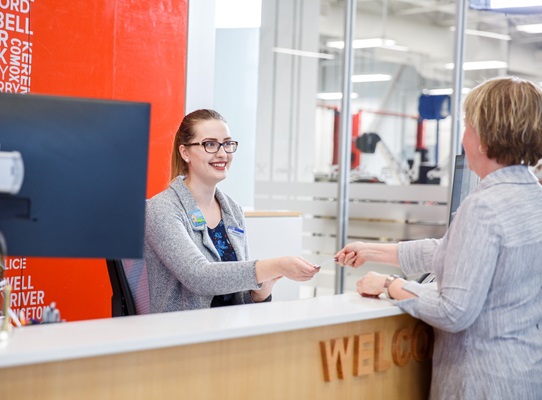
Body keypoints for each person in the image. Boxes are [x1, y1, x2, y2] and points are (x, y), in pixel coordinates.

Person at [335, 77, 542, 399]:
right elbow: (462, 253)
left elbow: (453, 311)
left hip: (480, 380)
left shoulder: (484, 206)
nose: (463, 137)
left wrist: (389, 284)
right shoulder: (533, 197)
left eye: (468, 126)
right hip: (524, 373)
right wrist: (372, 250)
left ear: (485, 140)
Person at [145, 109, 319, 313]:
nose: (222, 154)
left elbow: (235, 296)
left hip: (229, 327)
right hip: (182, 329)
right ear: (185, 153)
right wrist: (275, 266)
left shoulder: (232, 210)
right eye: (210, 144)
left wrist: (258, 294)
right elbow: (199, 277)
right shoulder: (162, 209)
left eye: (227, 144)